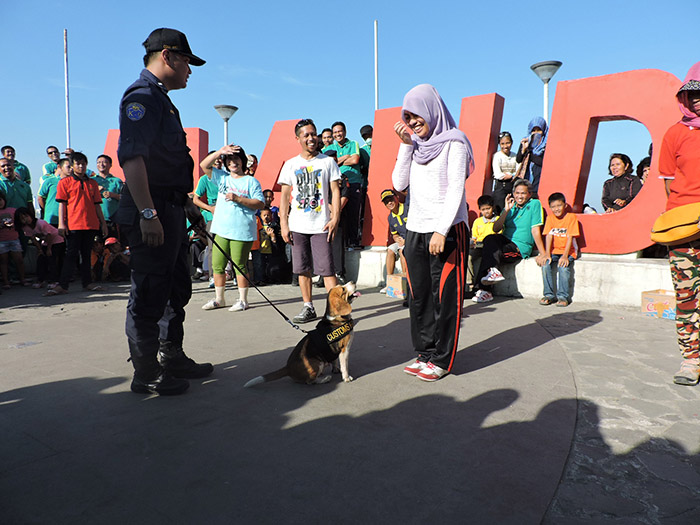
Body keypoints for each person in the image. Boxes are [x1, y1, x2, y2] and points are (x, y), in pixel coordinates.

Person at [115, 27, 212, 396]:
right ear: (168, 55)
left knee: (175, 288)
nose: (190, 69)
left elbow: (166, 162)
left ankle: (172, 356)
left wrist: (186, 205)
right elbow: (133, 159)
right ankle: (146, 372)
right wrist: (148, 214)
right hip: (151, 210)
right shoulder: (141, 97)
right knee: (150, 293)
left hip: (169, 206)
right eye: (187, 61)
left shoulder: (163, 100)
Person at [392, 83, 473, 382]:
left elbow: (456, 189)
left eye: (417, 115)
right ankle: (424, 353)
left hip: (446, 229)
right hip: (415, 228)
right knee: (420, 296)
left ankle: (442, 359)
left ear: (431, 109)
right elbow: (399, 184)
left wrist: (441, 230)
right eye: (408, 116)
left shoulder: (455, 142)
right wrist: (405, 144)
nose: (413, 122)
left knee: (446, 297)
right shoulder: (415, 146)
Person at [659, 61, 700, 386]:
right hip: (684, 226)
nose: (696, 99)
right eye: (691, 93)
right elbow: (668, 184)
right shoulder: (674, 133)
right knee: (686, 295)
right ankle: (691, 359)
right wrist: (684, 214)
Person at [279, 118, 341, 323]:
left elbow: (335, 191)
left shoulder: (327, 161)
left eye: (313, 134)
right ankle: (308, 307)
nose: (311, 138)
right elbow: (284, 196)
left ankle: (336, 311)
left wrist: (335, 218)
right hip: (298, 225)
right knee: (302, 269)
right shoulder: (290, 164)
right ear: (298, 139)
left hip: (321, 224)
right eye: (306, 135)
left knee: (327, 269)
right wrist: (284, 224)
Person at [199, 144, 264, 311]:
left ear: (242, 161)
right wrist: (220, 152)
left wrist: (238, 199)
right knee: (217, 265)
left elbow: (260, 202)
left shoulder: (251, 181)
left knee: (239, 265)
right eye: (229, 160)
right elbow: (204, 165)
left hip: (241, 230)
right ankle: (219, 298)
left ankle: (243, 300)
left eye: (236, 159)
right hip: (221, 228)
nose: (233, 163)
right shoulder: (222, 177)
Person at [473, 179, 546, 303]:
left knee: (494, 252)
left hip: (518, 247)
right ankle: (493, 272)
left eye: (523, 193)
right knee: (489, 238)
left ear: (529, 194)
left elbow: (535, 230)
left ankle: (484, 290)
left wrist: (543, 253)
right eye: (517, 193)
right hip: (505, 240)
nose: (519, 196)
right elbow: (496, 229)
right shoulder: (510, 207)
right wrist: (506, 210)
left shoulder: (534, 204)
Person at [47, 151, 108, 296]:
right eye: (78, 164)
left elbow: (97, 205)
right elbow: (62, 204)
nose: (81, 166)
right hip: (73, 225)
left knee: (87, 255)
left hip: (91, 224)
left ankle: (87, 283)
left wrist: (103, 223)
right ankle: (63, 285)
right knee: (70, 256)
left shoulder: (92, 183)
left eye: (83, 163)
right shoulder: (64, 182)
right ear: (73, 166)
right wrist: (62, 224)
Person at [323, 121, 363, 247]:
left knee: (353, 213)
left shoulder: (353, 144)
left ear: (345, 132)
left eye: (339, 131)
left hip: (353, 183)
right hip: (334, 185)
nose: (337, 134)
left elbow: (355, 159)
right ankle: (338, 243)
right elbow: (326, 164)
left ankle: (353, 241)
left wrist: (337, 162)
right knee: (335, 213)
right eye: (334, 132)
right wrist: (346, 157)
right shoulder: (328, 148)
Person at [539, 192, 580, 307]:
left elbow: (570, 237)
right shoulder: (550, 218)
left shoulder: (571, 217)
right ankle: (548, 295)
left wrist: (565, 256)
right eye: (553, 207)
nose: (556, 209)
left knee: (563, 267)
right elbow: (548, 236)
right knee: (545, 264)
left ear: (565, 205)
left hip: (569, 251)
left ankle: (563, 297)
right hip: (554, 251)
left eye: (559, 205)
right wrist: (547, 254)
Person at [15, 207, 65, 288]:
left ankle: (54, 280)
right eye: (22, 218)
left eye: (26, 216)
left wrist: (49, 249)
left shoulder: (41, 223)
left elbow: (50, 235)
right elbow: (33, 239)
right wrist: (40, 249)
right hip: (45, 242)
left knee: (52, 259)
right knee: (41, 260)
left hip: (56, 240)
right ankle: (41, 279)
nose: (26, 219)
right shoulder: (26, 228)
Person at [379, 189, 408, 293]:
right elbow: (394, 234)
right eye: (386, 202)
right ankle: (390, 283)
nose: (389, 203)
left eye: (391, 199)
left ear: (397, 198)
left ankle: (406, 283)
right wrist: (397, 239)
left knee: (401, 250)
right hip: (402, 241)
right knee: (390, 250)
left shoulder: (407, 209)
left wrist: (406, 240)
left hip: (413, 239)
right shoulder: (390, 217)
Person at [469, 194, 499, 289]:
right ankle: (469, 283)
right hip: (478, 246)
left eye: (488, 208)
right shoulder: (477, 222)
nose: (486, 211)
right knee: (468, 257)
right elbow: (474, 237)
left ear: (493, 208)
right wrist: (472, 243)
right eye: (483, 209)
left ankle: (485, 286)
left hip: (491, 248)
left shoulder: (498, 220)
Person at [0, 190, 27, 288]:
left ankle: (22, 279)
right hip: (2, 241)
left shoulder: (12, 210)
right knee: (3, 262)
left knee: (19, 260)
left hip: (14, 239)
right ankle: (6, 282)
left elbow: (20, 222)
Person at [92, 154, 123, 238]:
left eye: (104, 162)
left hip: (112, 219)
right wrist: (95, 191)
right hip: (95, 219)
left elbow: (124, 198)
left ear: (110, 165)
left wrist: (113, 195)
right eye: (99, 162)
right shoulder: (92, 181)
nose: (101, 164)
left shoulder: (117, 181)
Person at [516, 117, 548, 195]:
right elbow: (518, 159)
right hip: (526, 177)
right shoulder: (525, 141)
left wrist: (529, 151)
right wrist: (524, 150)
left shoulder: (546, 145)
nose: (536, 133)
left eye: (538, 130)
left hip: (539, 177)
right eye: (533, 130)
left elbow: (542, 162)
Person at [38, 157, 71, 227]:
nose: (71, 169)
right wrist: (47, 210)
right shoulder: (50, 181)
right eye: (68, 167)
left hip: (69, 220)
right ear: (60, 167)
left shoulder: (74, 183)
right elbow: (40, 197)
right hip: (52, 219)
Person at [491, 131, 519, 212]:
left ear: (512, 143)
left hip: (513, 187)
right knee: (500, 211)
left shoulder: (515, 156)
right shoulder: (497, 156)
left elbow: (518, 171)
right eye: (502, 144)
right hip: (500, 187)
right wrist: (512, 175)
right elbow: (497, 174)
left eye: (508, 143)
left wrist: (510, 175)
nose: (505, 146)